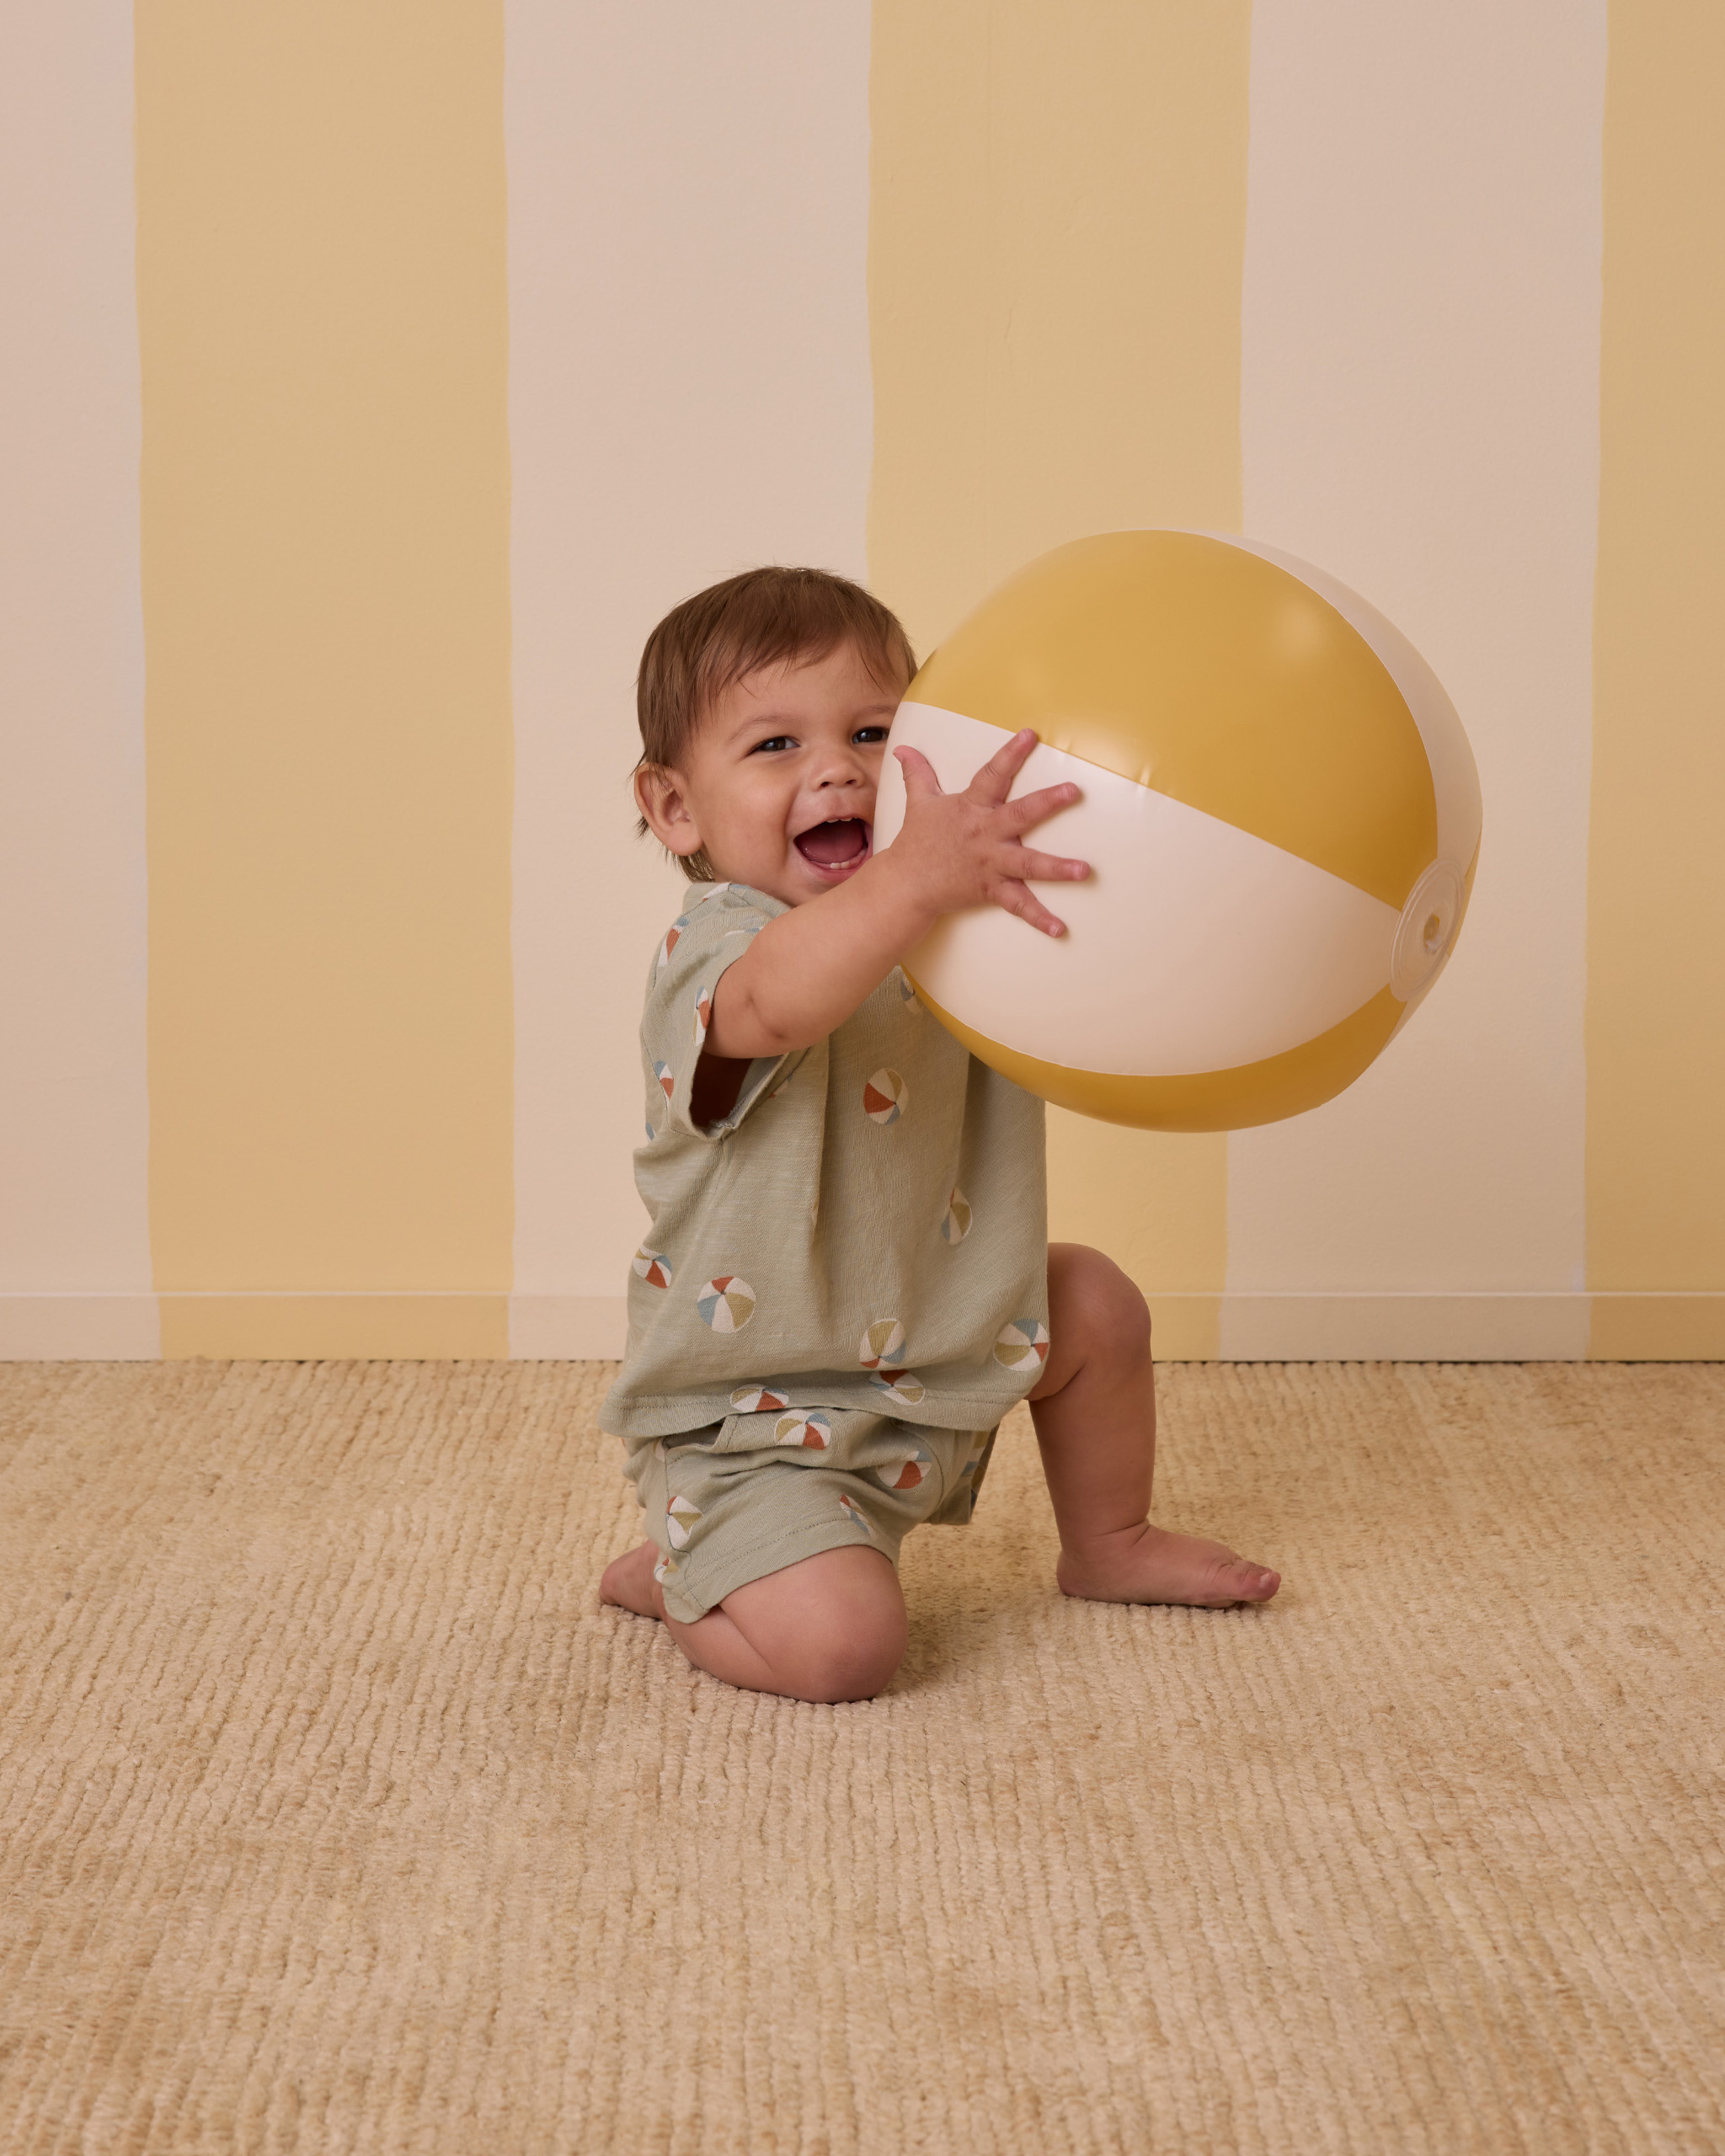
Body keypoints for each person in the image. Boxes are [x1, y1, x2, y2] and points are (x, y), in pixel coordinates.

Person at [600, 566, 1279, 1701]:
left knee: (1097, 1303)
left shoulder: (950, 931)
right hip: (760, 1416)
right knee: (844, 1653)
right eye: (774, 746)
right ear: (675, 809)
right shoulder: (718, 953)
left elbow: (1090, 970)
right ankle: (693, 1565)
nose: (837, 767)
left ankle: (1109, 1541)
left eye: (874, 730)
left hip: (947, 1337)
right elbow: (779, 1006)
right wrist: (914, 882)